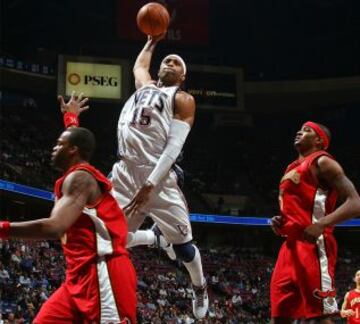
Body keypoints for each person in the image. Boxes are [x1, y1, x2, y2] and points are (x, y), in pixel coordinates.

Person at [59, 33, 208, 319]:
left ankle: (200, 286)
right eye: (166, 59)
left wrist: (151, 184)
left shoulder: (182, 99)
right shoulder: (145, 87)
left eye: (176, 62)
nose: (169, 62)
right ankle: (153, 240)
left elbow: (174, 147)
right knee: (109, 238)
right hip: (126, 172)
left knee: (185, 247)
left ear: (183, 76)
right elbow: (139, 67)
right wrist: (152, 41)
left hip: (160, 177)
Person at [0, 124, 137, 323]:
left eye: (59, 144)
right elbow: (80, 139)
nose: (54, 148)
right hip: (77, 277)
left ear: (73, 149)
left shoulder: (80, 178)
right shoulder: (75, 177)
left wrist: (3, 229)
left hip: (102, 273)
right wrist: (71, 118)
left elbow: (55, 227)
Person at [270, 121, 360, 324]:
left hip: (314, 245)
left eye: (307, 130)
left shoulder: (323, 162)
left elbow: (355, 203)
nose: (299, 131)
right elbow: (299, 208)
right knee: (279, 316)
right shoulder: (291, 167)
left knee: (321, 316)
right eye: (300, 128)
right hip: (289, 247)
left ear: (320, 140)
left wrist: (322, 224)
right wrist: (283, 223)